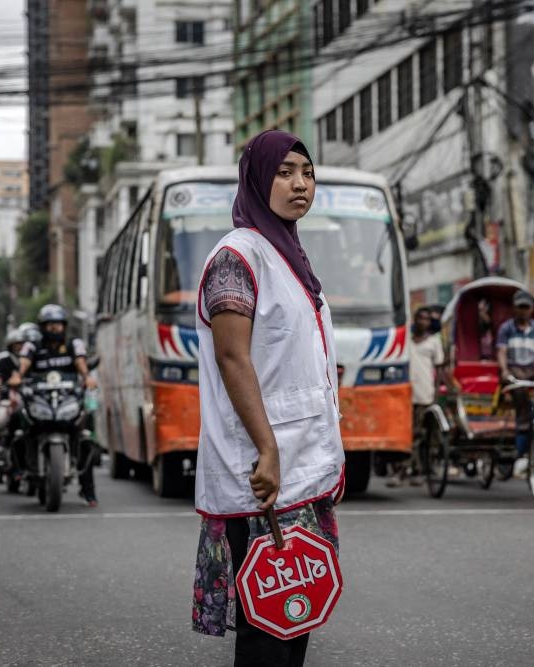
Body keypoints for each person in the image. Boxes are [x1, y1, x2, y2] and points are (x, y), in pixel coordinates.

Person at [191, 130, 344, 666]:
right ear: (257, 179)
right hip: (262, 470)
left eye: (307, 172)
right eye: (284, 172)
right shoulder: (237, 257)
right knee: (267, 630)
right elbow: (234, 358)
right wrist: (268, 448)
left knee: (294, 617)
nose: (300, 183)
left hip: (301, 467)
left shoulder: (290, 258)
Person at [9, 304, 99, 507]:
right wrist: (18, 376)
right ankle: (19, 468)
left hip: (67, 401)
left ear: (64, 326)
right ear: (42, 327)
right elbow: (23, 363)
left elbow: (80, 362)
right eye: (50, 325)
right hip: (39, 401)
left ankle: (88, 490)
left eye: (58, 325)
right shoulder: (32, 346)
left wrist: (87, 378)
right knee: (18, 425)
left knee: (85, 438)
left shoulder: (73, 344)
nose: (54, 329)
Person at [496, 290, 534, 476]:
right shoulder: (506, 328)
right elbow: (501, 352)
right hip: (515, 369)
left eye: (526, 307)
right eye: (520, 307)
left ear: (532, 310)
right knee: (522, 403)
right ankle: (522, 446)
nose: (523, 311)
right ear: (514, 309)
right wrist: (505, 371)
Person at [389, 306, 447, 487]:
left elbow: (439, 368)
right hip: (405, 395)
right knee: (405, 435)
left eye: (427, 319)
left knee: (420, 435)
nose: (423, 322)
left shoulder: (434, 341)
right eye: (420, 318)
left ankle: (414, 470)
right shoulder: (406, 340)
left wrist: (437, 393)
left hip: (425, 395)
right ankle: (406, 469)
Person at [0, 328, 26, 484]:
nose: (20, 347)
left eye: (23, 344)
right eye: (17, 344)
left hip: (28, 401)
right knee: (0, 423)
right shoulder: (4, 360)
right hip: (7, 401)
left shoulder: (32, 359)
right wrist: (3, 388)